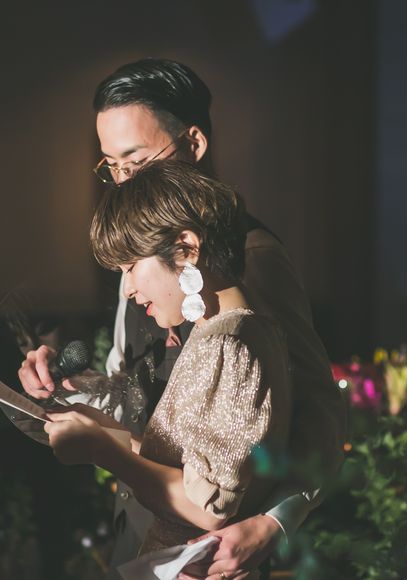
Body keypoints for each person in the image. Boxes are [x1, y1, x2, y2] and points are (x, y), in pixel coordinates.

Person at [19, 58, 345, 579]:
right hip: (143, 523)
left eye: (136, 161)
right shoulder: (143, 257)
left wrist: (275, 523)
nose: (123, 181)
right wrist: (69, 386)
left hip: (214, 545)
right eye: (112, 167)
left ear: (193, 143)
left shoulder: (250, 257)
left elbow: (319, 409)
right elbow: (135, 390)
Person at [45, 160, 292, 580]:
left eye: (130, 267)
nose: (127, 289)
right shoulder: (232, 332)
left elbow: (207, 507)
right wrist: (105, 430)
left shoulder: (228, 345)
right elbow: (190, 469)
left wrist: (102, 452)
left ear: (186, 248)